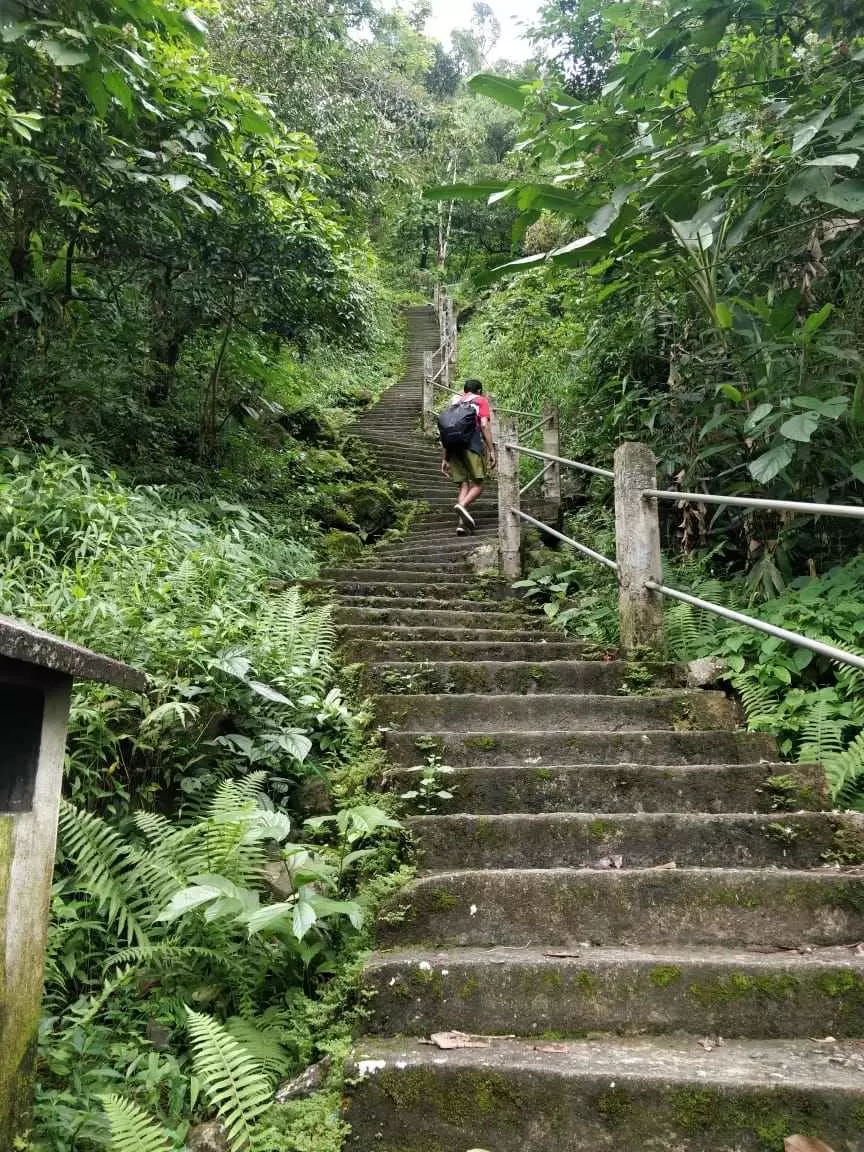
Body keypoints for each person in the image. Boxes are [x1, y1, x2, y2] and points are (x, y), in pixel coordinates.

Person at [439, 378, 496, 534]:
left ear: (464, 391)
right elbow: (484, 425)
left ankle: (461, 525)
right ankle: (462, 506)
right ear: (479, 391)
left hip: (453, 447)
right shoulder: (480, 401)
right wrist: (491, 450)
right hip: (472, 445)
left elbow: (446, 430)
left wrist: (445, 458)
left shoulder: (455, 402)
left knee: (463, 485)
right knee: (478, 484)